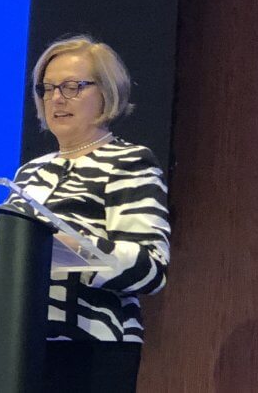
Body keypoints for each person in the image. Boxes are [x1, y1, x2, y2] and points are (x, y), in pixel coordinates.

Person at [11, 35, 171, 392]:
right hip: (21, 341)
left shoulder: (129, 163)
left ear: (106, 93)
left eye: (72, 87)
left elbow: (151, 268)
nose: (56, 98)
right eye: (48, 88)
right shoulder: (29, 173)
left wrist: (75, 247)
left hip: (91, 349)